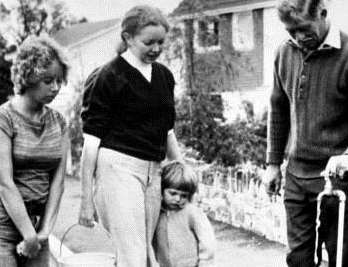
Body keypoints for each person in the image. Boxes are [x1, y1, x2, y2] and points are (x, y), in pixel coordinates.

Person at [78, 5, 182, 267]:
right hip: (117, 169)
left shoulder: (164, 76)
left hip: (153, 171)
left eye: (161, 42)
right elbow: (90, 144)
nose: (156, 49)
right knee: (132, 255)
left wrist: (182, 171)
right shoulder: (108, 76)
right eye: (149, 42)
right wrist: (86, 200)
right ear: (127, 38)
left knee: (149, 254)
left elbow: (167, 130)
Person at [264, 0, 348, 266]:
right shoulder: (283, 53)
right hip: (296, 176)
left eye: (304, 29)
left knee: (340, 259)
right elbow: (278, 109)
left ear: (323, 13)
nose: (298, 37)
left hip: (339, 178)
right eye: (290, 31)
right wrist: (273, 164)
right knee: (298, 259)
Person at [0, 35, 69, 266]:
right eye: (48, 80)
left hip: (39, 227)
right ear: (27, 76)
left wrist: (44, 231)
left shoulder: (59, 121)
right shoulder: (4, 118)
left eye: (60, 80)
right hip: (4, 228)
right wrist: (27, 233)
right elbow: (4, 183)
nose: (56, 88)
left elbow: (58, 181)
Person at [153, 161, 215, 267]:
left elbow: (207, 240)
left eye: (184, 196)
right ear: (162, 190)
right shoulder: (156, 212)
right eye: (172, 193)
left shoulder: (192, 213)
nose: (178, 199)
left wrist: (205, 263)